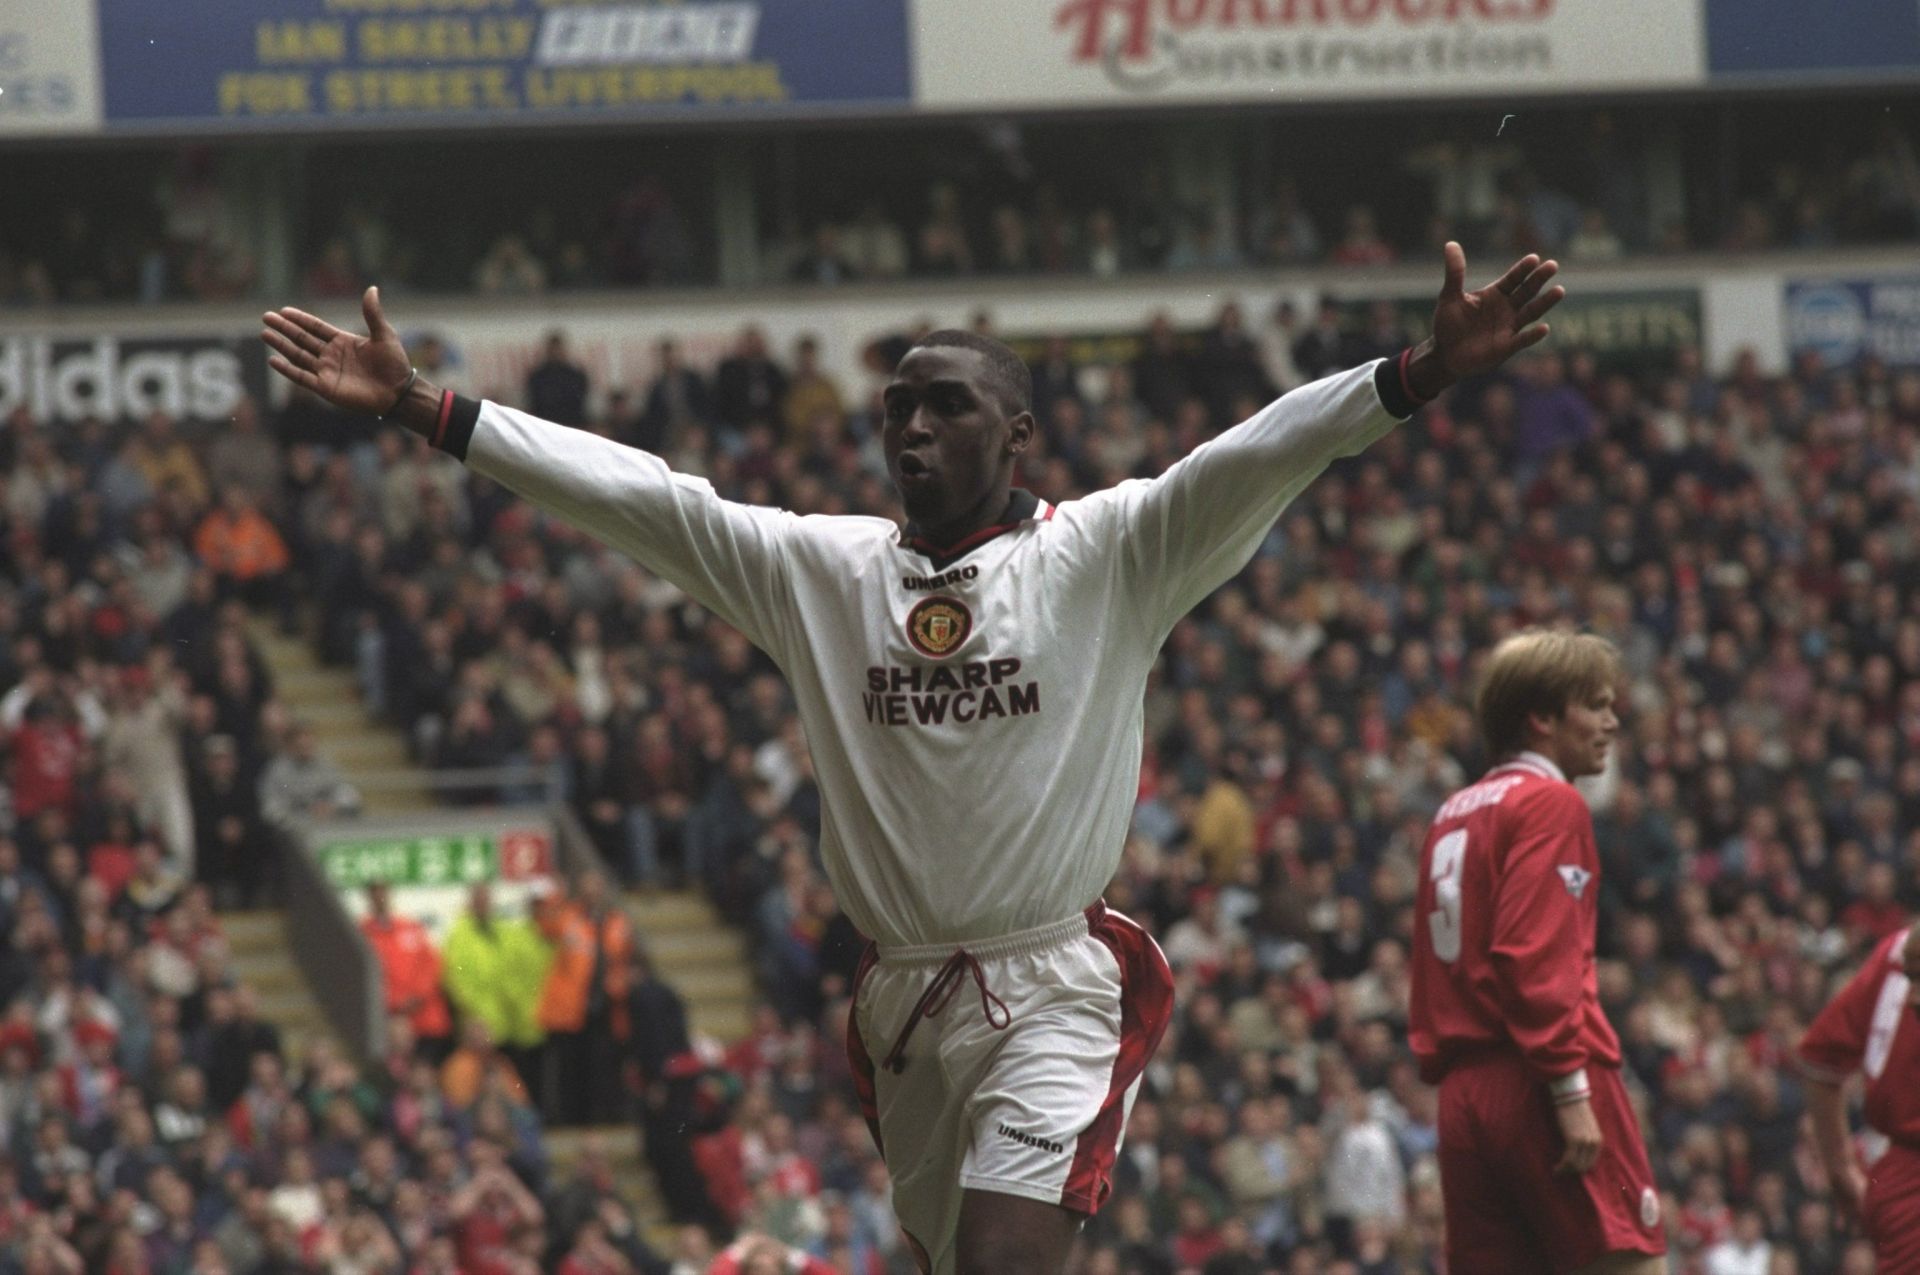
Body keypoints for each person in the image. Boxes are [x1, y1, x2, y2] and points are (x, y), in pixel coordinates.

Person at [261, 240, 1564, 1275]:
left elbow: (1266, 450)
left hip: (1052, 983)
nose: (913, 430)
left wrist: (1415, 373)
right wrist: (434, 411)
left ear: (1020, 436)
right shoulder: (822, 572)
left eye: (948, 405)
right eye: (898, 409)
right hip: (902, 1006)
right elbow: (641, 497)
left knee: (1006, 1255)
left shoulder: (1107, 554)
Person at [1407, 631, 1665, 1275]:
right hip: (1538, 1077)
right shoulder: (1550, 803)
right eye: (1596, 705)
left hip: (1465, 1096)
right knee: (1630, 1264)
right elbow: (1531, 958)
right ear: (1543, 719)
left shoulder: (1452, 812)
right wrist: (1569, 1089)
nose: (1611, 721)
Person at [1799, 922, 1920, 1272]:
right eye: (1911, 979)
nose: (1911, 996)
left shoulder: (1897, 953)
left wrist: (1843, 1173)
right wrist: (1841, 1171)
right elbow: (1821, 1056)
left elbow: (1821, 1058)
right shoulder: (1900, 952)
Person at [359, 881, 453, 1063]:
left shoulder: (410, 927)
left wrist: (418, 995)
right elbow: (367, 977)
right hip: (392, 1025)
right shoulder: (363, 934)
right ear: (369, 898)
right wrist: (396, 1005)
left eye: (383, 892)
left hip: (427, 1020)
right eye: (375, 894)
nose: (380, 898)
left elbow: (432, 964)